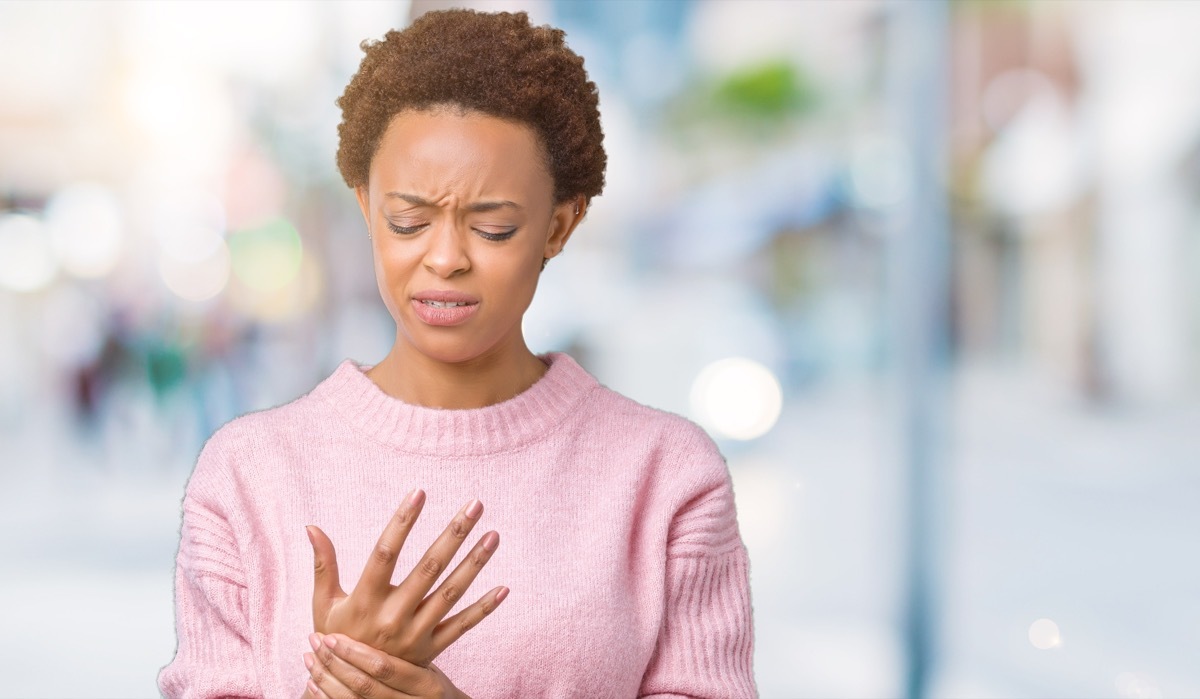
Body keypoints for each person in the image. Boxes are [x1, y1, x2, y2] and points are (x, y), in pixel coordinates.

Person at [159, 9, 755, 699]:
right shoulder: (247, 475)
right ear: (365, 206)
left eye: (494, 227)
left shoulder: (665, 477)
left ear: (560, 225)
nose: (445, 258)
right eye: (408, 221)